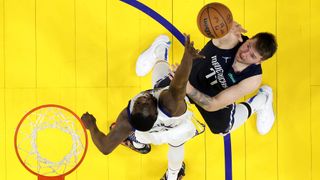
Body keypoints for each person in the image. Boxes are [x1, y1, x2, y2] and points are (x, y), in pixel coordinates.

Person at [81, 34, 205, 180]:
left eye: (139, 103)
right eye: (145, 102)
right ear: (154, 111)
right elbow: (179, 82)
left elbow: (105, 147)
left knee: (126, 132)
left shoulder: (126, 121)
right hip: (179, 128)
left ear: (132, 116)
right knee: (177, 146)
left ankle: (139, 146)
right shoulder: (169, 103)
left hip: (149, 134)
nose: (143, 99)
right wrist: (188, 57)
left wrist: (92, 126)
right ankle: (172, 176)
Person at [135, 21, 278, 136]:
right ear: (249, 39)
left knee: (222, 128)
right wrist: (226, 24)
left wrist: (188, 88)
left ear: (259, 61)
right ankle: (160, 50)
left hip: (214, 95)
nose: (245, 53)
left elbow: (213, 104)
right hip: (195, 75)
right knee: (159, 93)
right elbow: (213, 21)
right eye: (248, 45)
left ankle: (261, 101)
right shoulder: (230, 39)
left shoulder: (252, 79)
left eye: (252, 56)